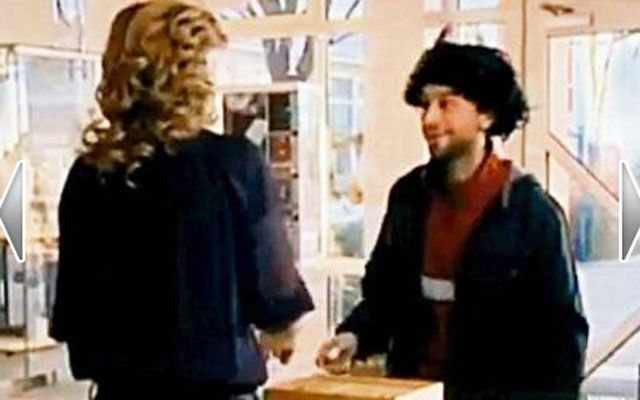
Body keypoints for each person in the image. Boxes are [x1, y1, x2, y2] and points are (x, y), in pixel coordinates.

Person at [50, 2, 313, 399]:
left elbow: (74, 315)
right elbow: (278, 305)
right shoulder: (234, 165)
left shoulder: (90, 174)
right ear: (193, 77)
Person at [316, 40, 589, 399]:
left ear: (486, 116)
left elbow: (561, 343)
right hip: (414, 392)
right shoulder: (408, 198)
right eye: (425, 106)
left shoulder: (532, 213)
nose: (430, 119)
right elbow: (385, 296)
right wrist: (354, 336)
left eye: (446, 104)